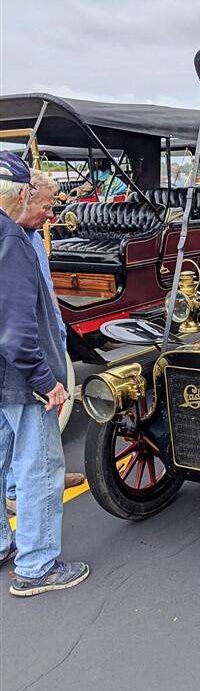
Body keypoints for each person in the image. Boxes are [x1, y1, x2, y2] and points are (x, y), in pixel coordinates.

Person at [0, 152, 89, 596]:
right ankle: (36, 567)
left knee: (0, 458)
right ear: (21, 195)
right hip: (18, 378)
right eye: (46, 205)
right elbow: (17, 331)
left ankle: (2, 543)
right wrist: (46, 380)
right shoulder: (12, 240)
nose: (53, 215)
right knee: (38, 468)